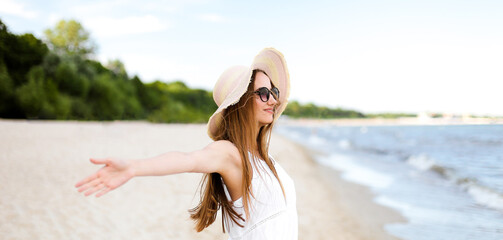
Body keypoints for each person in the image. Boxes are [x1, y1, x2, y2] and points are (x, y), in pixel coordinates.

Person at [75, 48, 298, 240]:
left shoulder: (264, 158)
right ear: (240, 103)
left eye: (274, 91)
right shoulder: (230, 153)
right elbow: (188, 160)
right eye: (263, 93)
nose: (273, 100)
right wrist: (134, 167)